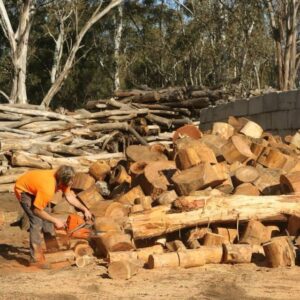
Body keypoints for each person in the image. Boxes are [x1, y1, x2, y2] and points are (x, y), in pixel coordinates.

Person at [14, 165, 92, 268]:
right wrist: (55, 220)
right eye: (70, 180)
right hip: (24, 190)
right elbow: (37, 211)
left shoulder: (65, 177)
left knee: (47, 218)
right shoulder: (48, 188)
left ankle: (52, 249)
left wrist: (84, 209)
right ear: (62, 181)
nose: (72, 182)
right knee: (36, 220)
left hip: (37, 187)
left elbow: (69, 197)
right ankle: (35, 259)